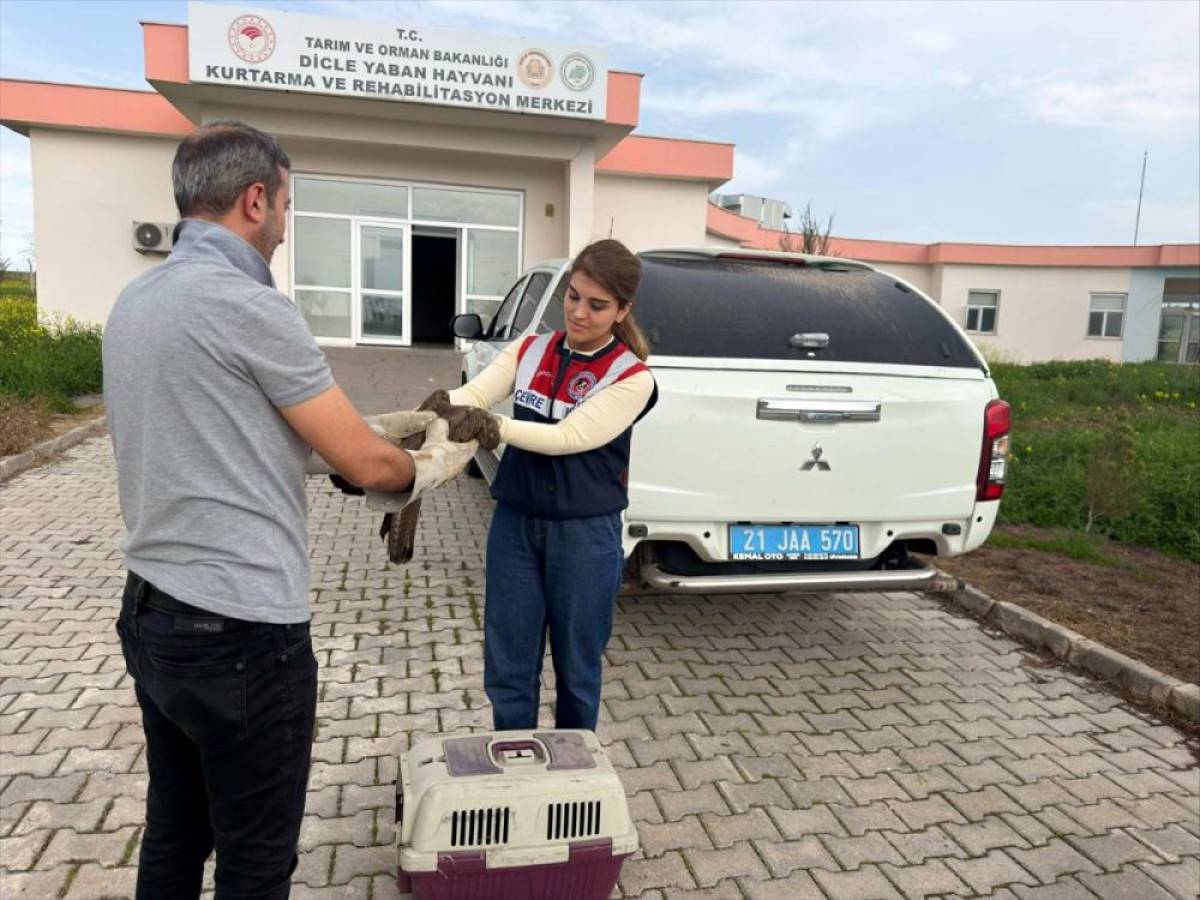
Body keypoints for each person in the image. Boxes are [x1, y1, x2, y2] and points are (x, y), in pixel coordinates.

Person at [103, 121, 471, 900]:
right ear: (255, 200)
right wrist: (435, 461)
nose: (283, 226)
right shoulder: (252, 308)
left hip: (150, 614)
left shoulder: (136, 301)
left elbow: (236, 429)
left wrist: (370, 431)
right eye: (286, 207)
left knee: (175, 832)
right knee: (256, 861)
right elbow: (365, 465)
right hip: (240, 633)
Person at [436, 239, 658, 732]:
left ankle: (574, 767)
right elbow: (474, 394)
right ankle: (515, 760)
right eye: (573, 296)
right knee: (509, 666)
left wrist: (491, 427)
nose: (578, 313)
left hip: (585, 535)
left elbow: (568, 438)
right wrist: (434, 410)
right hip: (515, 525)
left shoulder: (632, 377)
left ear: (622, 311)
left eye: (597, 305)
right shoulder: (530, 349)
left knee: (577, 670)